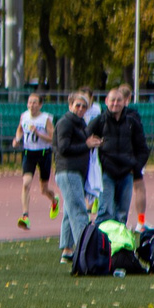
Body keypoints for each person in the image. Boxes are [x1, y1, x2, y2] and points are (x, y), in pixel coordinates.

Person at [91, 84, 146, 228]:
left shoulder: (131, 122)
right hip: (107, 172)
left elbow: (142, 148)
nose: (115, 103)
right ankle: (101, 242)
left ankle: (118, 244)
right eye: (112, 100)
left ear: (125, 102)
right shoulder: (100, 121)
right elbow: (85, 137)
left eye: (119, 100)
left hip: (126, 173)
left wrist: (136, 166)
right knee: (105, 210)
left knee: (122, 213)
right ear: (106, 101)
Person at [51, 89, 95, 263]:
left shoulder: (79, 123)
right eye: (78, 105)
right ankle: (85, 249)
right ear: (70, 105)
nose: (81, 109)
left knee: (70, 211)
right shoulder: (66, 123)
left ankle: (67, 250)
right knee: (78, 210)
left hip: (75, 171)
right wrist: (86, 145)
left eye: (84, 106)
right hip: (67, 171)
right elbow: (63, 148)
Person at [15, 92, 56, 231]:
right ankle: (25, 216)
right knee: (26, 183)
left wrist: (39, 134)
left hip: (44, 153)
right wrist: (17, 139)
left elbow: (53, 138)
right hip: (29, 153)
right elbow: (20, 130)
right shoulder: (24, 116)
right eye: (29, 102)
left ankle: (53, 200)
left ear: (40, 105)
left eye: (34, 103)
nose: (31, 105)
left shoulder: (45, 119)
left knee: (43, 189)